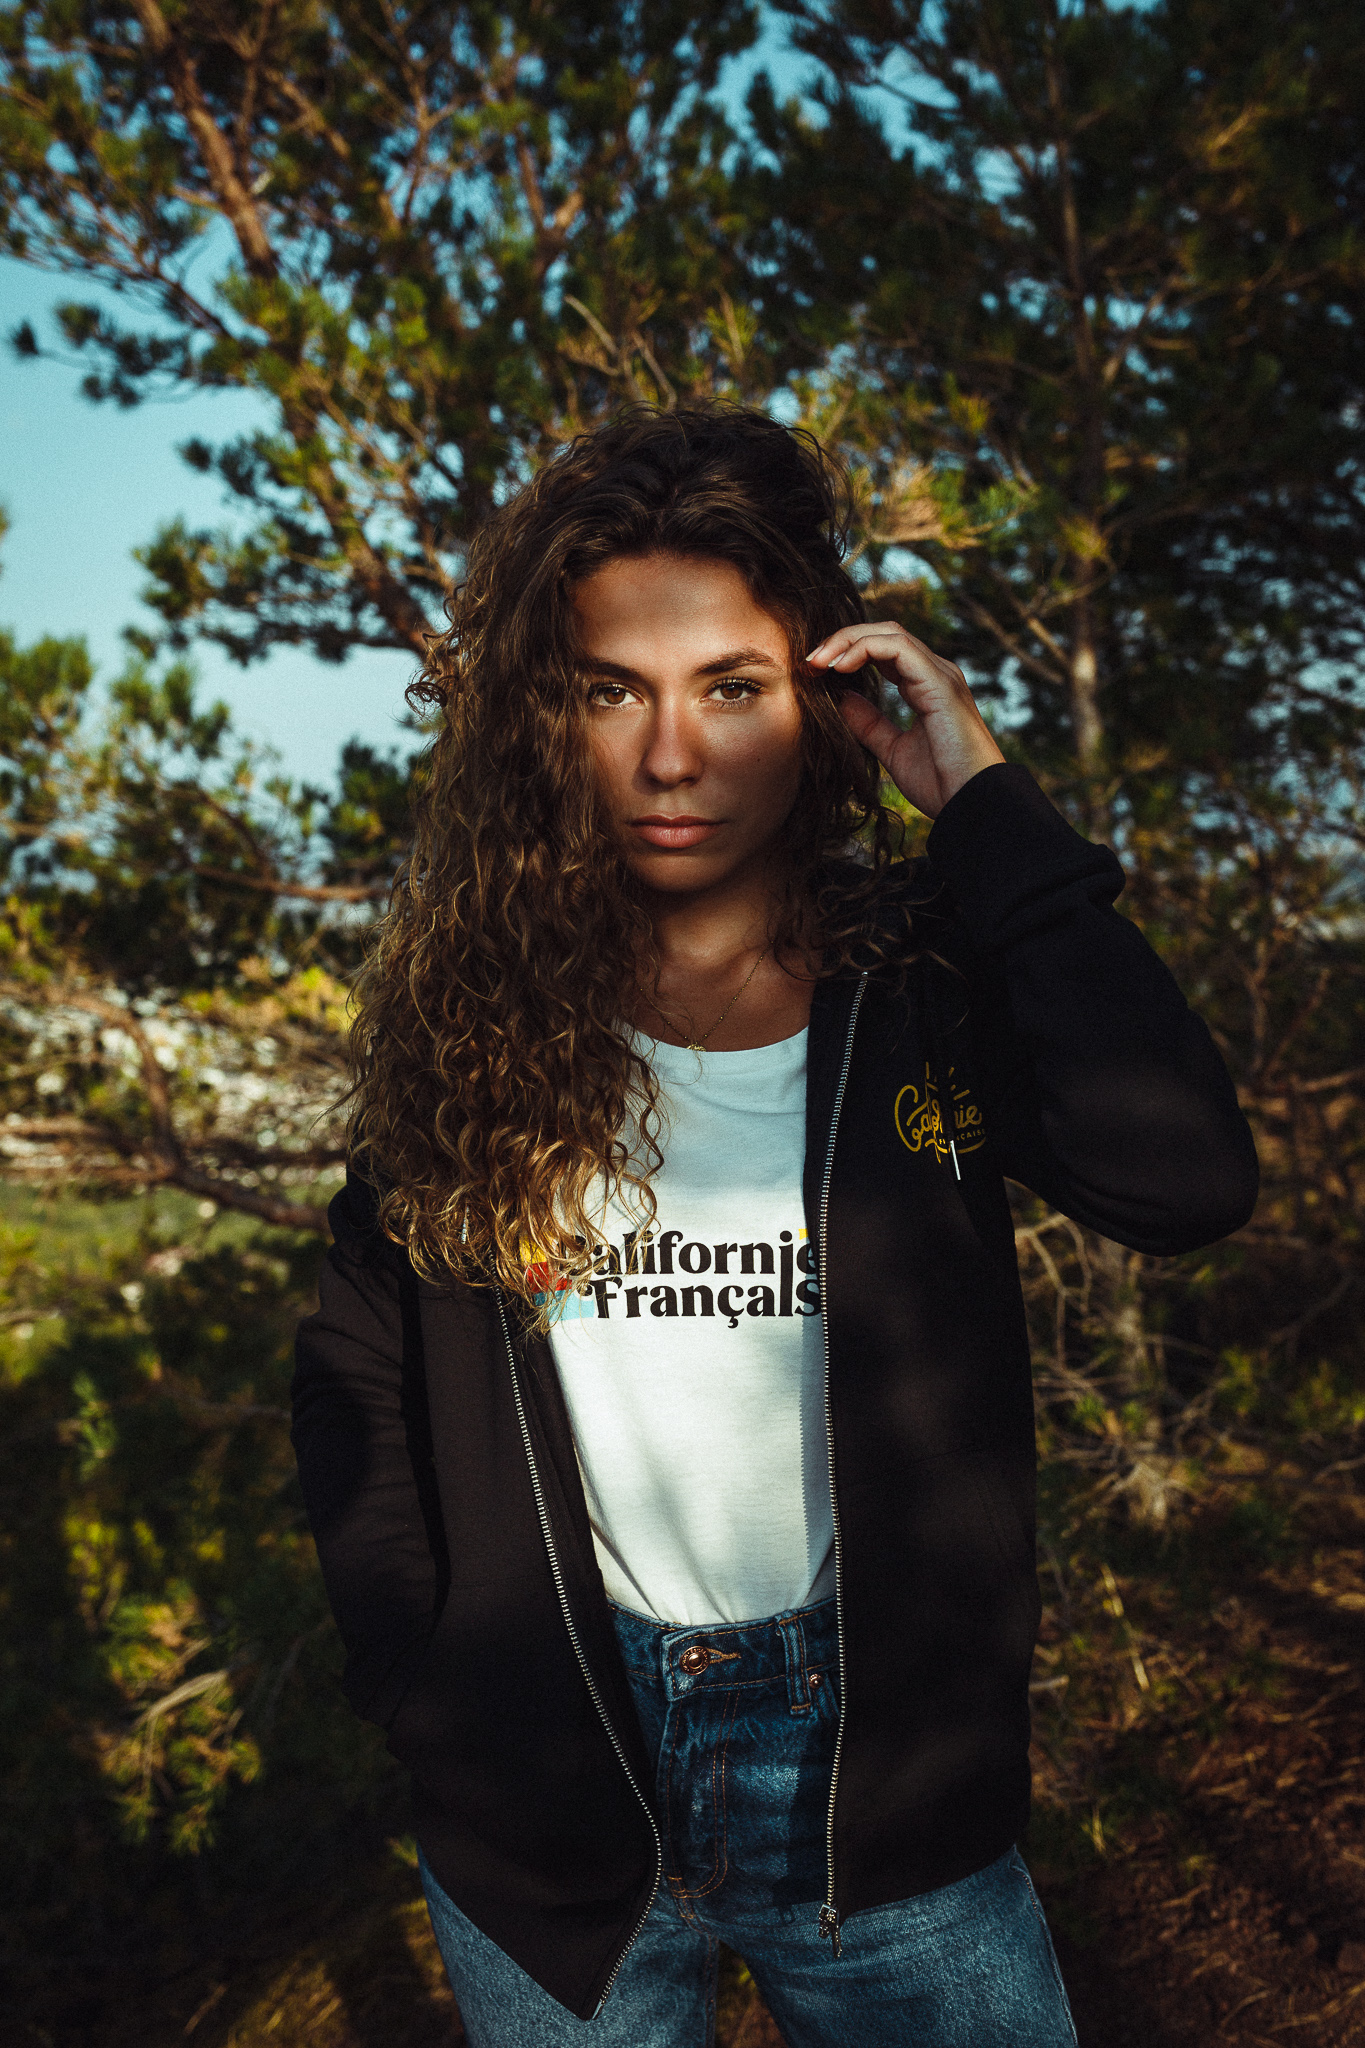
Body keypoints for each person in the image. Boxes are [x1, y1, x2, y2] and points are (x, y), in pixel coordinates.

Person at [291, 404, 1258, 2046]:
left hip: (889, 1793)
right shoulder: (473, 1011)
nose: (671, 756)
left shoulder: (921, 982)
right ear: (545, 716)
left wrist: (980, 803)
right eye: (612, 690)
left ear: (818, 702)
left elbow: (1182, 1182)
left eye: (731, 687)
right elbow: (354, 1363)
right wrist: (428, 1678)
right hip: (551, 1798)